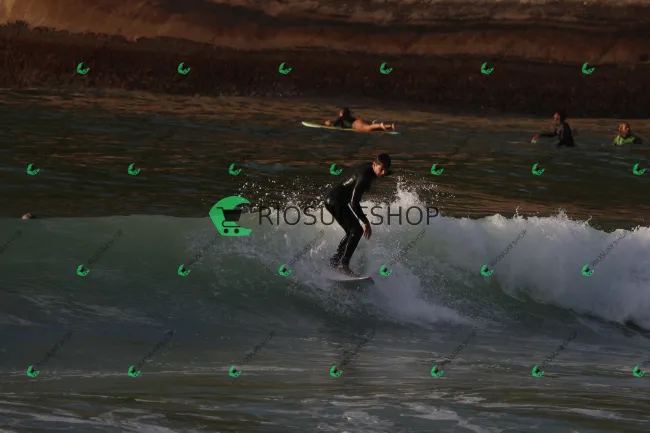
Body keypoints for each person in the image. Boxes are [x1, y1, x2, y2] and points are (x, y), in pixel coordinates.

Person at [324, 153, 392, 276]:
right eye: (382, 169)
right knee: (357, 231)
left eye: (386, 170)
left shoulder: (371, 169)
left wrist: (389, 172)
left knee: (351, 232)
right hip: (335, 202)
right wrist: (366, 222)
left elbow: (381, 171)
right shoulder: (364, 177)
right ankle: (343, 265)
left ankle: (335, 261)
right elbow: (354, 202)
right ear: (374, 164)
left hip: (337, 201)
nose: (383, 173)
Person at [325, 107, 395, 132]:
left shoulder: (341, 118)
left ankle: (380, 125)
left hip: (356, 125)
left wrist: (329, 124)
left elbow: (334, 125)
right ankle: (389, 126)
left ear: (341, 113)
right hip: (358, 121)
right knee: (371, 128)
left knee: (369, 127)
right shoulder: (351, 117)